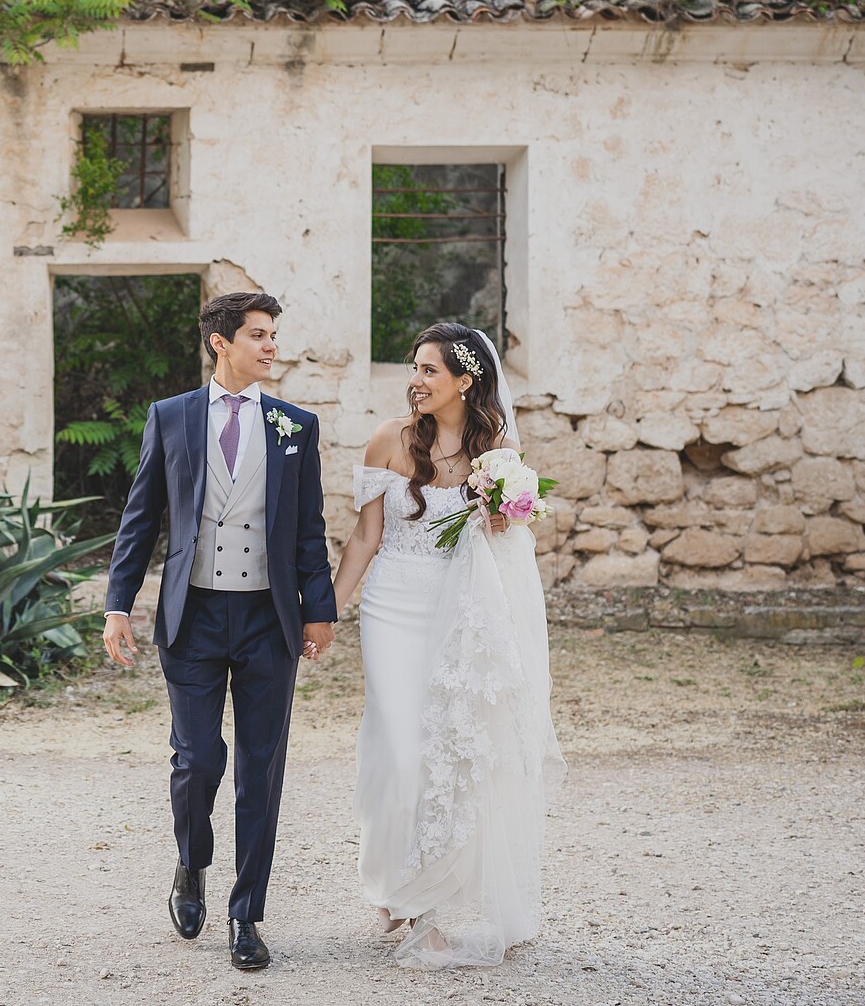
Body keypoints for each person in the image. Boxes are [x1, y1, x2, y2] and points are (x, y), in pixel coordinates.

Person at [100, 291, 337, 972]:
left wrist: (317, 609)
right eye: (258, 335)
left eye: (273, 335)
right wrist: (119, 604)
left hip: (269, 619)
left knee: (261, 772)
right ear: (220, 342)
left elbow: (309, 533)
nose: (271, 346)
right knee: (198, 760)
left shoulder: (296, 426)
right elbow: (140, 519)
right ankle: (191, 862)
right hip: (193, 616)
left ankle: (246, 915)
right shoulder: (170, 417)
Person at [330, 322, 564, 969]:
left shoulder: (499, 453)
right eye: (414, 367)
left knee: (443, 757)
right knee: (401, 750)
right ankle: (397, 888)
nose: (416, 379)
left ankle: (415, 900)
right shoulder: (390, 440)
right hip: (391, 605)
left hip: (457, 607)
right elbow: (363, 539)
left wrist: (499, 519)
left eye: (430, 370)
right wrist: (322, 613)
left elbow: (509, 549)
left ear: (465, 381)